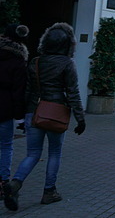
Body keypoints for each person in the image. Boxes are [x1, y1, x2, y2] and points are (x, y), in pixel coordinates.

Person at [4, 23, 86, 210]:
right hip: (56, 113)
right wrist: (80, 119)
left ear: (46, 42)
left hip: (34, 112)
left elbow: (27, 91)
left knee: (32, 153)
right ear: (68, 45)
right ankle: (49, 191)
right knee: (55, 152)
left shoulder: (35, 62)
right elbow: (72, 92)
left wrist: (23, 116)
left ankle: (15, 183)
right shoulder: (67, 63)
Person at [0, 24, 29, 199]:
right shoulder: (18, 61)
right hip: (5, 109)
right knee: (5, 146)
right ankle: (4, 183)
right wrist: (20, 117)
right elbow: (19, 91)